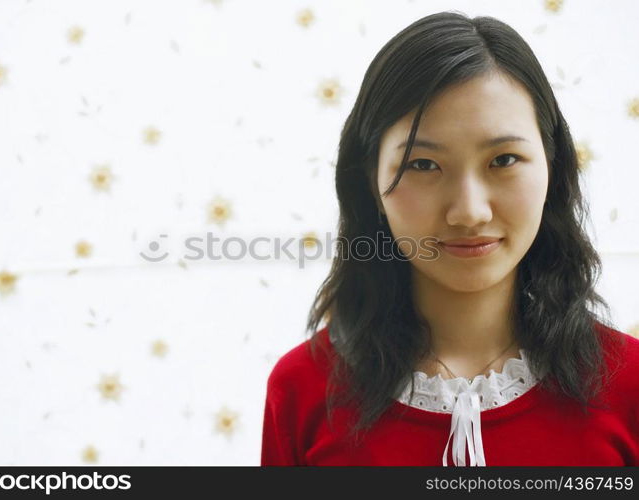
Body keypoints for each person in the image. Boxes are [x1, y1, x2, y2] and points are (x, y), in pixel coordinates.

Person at [260, 11, 639, 466]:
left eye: (504, 159)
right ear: (371, 183)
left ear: (553, 168)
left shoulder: (629, 383)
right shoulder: (302, 390)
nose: (469, 212)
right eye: (422, 165)